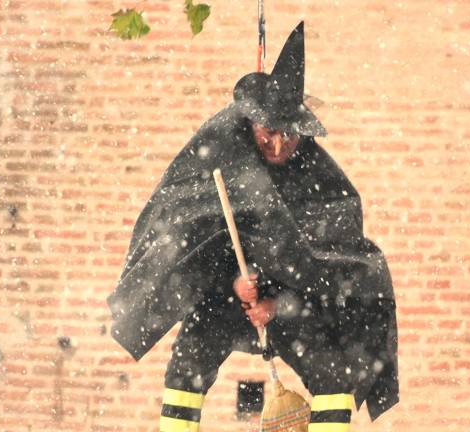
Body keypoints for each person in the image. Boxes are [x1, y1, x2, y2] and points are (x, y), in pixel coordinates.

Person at [107, 22, 398, 432]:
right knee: (188, 357)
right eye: (268, 133)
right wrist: (233, 285)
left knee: (334, 368)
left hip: (298, 304)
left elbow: (329, 266)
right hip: (225, 300)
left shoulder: (323, 184)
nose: (279, 146)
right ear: (251, 125)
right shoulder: (220, 164)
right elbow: (194, 241)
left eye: (289, 136)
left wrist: (277, 306)